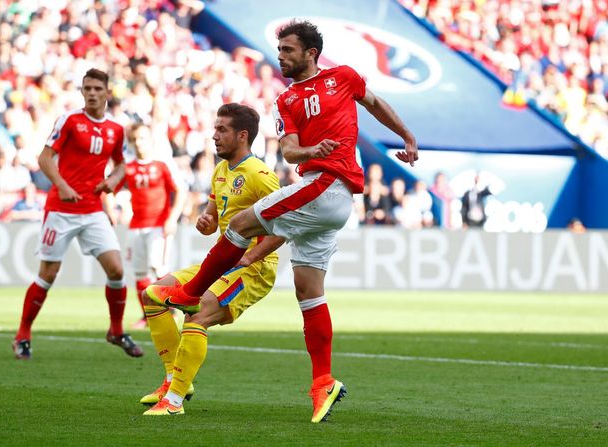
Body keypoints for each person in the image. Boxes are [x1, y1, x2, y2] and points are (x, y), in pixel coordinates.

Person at [146, 19, 419, 423]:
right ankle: (323, 381)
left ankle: (190, 293)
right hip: (325, 196)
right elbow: (290, 152)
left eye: (288, 50)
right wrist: (312, 148)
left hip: (327, 185)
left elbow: (375, 103)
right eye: (279, 51)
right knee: (308, 290)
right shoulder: (287, 101)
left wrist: (407, 137)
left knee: (240, 225)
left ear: (311, 53)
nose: (281, 57)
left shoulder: (342, 78)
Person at [140, 103, 285, 416]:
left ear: (242, 136)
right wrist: (205, 221)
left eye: (222, 130)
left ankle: (174, 403)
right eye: (215, 128)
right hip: (221, 263)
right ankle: (173, 380)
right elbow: (211, 217)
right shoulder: (221, 171)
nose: (214, 136)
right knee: (152, 295)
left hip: (253, 270)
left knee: (197, 315)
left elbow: (288, 225)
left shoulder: (260, 176)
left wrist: (252, 257)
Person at [12, 68, 143, 360]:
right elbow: (44, 157)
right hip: (61, 209)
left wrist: (113, 181)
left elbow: (122, 164)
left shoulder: (116, 129)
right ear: (82, 92)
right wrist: (61, 185)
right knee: (48, 274)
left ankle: (116, 330)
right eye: (87, 88)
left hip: (93, 209)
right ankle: (23, 335)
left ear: (108, 93)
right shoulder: (70, 120)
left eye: (98, 88)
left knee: (117, 270)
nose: (92, 93)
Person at [120, 122, 186, 328]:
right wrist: (115, 209)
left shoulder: (162, 164)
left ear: (150, 140)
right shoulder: (127, 167)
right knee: (139, 274)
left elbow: (181, 191)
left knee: (159, 268)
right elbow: (111, 190)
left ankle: (172, 312)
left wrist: (172, 218)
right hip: (135, 226)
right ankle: (147, 316)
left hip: (159, 225)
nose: (139, 143)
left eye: (142, 138)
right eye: (135, 139)